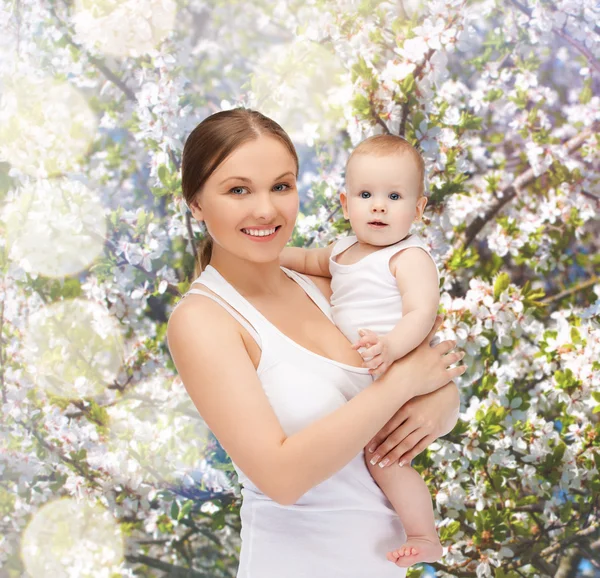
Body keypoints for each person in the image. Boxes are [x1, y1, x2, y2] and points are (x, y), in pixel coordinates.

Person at [166, 108, 467, 578]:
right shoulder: (202, 319)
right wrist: (404, 383)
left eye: (281, 186)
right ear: (197, 203)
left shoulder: (331, 286)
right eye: (238, 189)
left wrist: (445, 401)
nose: (265, 209)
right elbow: (281, 478)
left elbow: (426, 362)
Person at [280, 134, 444, 567]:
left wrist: (392, 347)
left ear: (418, 208)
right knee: (363, 449)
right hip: (363, 379)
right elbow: (309, 260)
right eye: (366, 194)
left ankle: (424, 534)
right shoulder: (342, 252)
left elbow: (421, 312)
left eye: (394, 196)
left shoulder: (409, 257)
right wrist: (274, 256)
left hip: (396, 370)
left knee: (384, 459)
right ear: (344, 201)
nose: (378, 206)